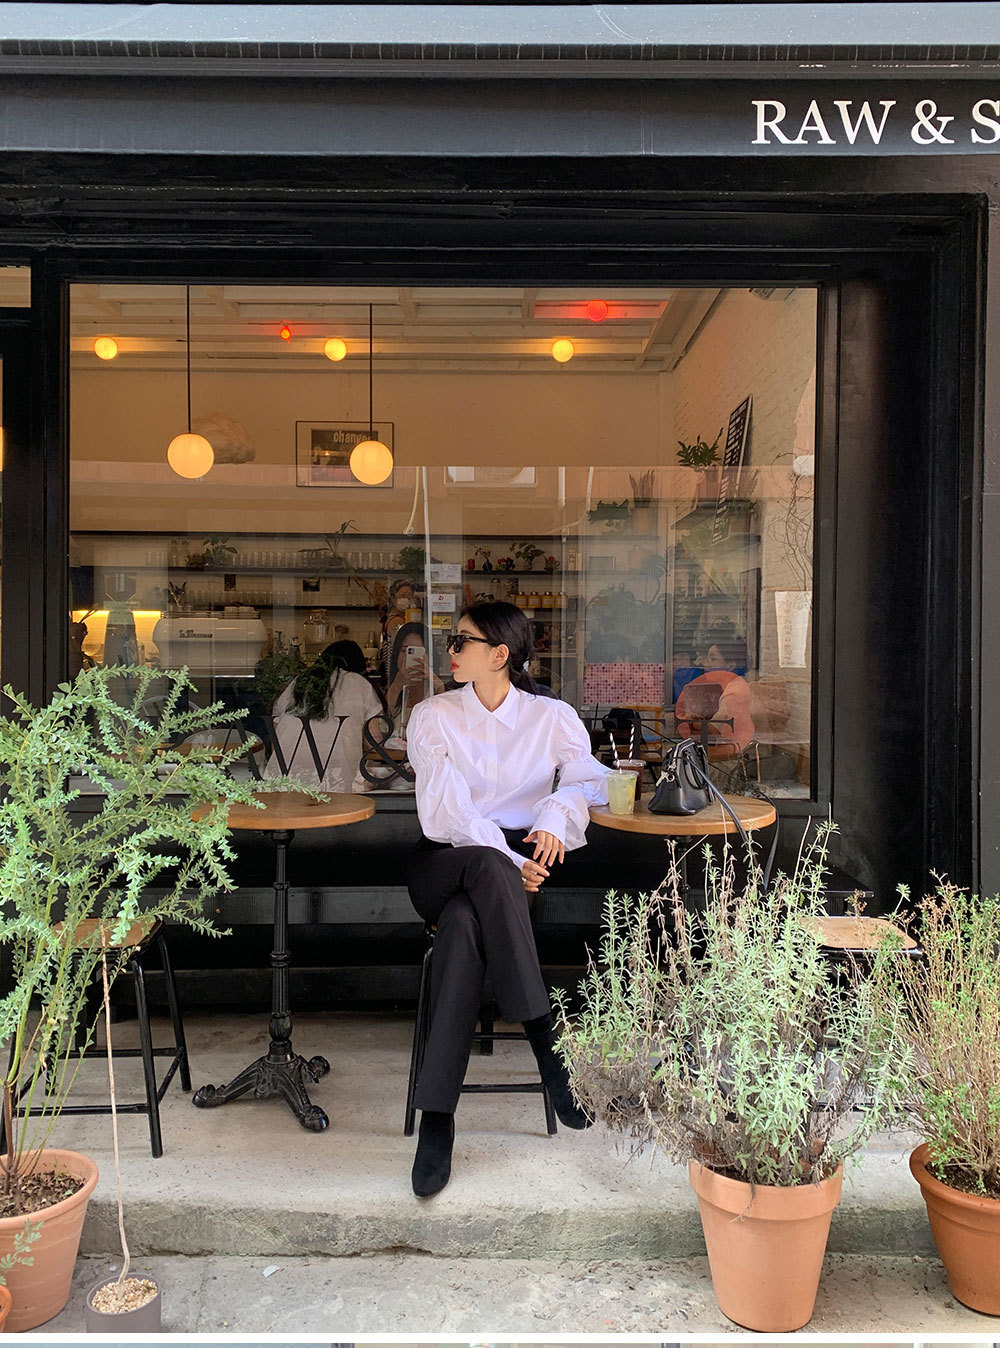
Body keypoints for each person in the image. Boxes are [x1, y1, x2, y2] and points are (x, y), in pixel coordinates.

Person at [404, 600, 610, 1197]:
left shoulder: (552, 717)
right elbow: (448, 813)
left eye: (460, 641)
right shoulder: (432, 716)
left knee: (463, 931)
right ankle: (548, 1046)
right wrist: (514, 862)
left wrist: (555, 815)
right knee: (485, 869)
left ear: (499, 655)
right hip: (444, 861)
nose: (449, 650)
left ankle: (436, 1121)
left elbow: (589, 781)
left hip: (504, 881)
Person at [263, 639, 383, 790]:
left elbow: (276, 737)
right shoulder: (360, 684)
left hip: (282, 783)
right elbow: (375, 742)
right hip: (336, 785)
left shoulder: (299, 682)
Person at [674, 633, 753, 754]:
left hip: (734, 751)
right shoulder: (728, 686)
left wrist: (693, 721)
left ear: (730, 665)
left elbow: (716, 731)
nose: (706, 664)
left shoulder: (735, 693)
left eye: (713, 659)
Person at [384, 620, 445, 729]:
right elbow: (382, 725)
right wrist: (396, 686)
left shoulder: (436, 690)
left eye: (420, 651)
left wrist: (436, 682)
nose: (410, 658)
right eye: (405, 651)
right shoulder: (395, 691)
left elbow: (444, 724)